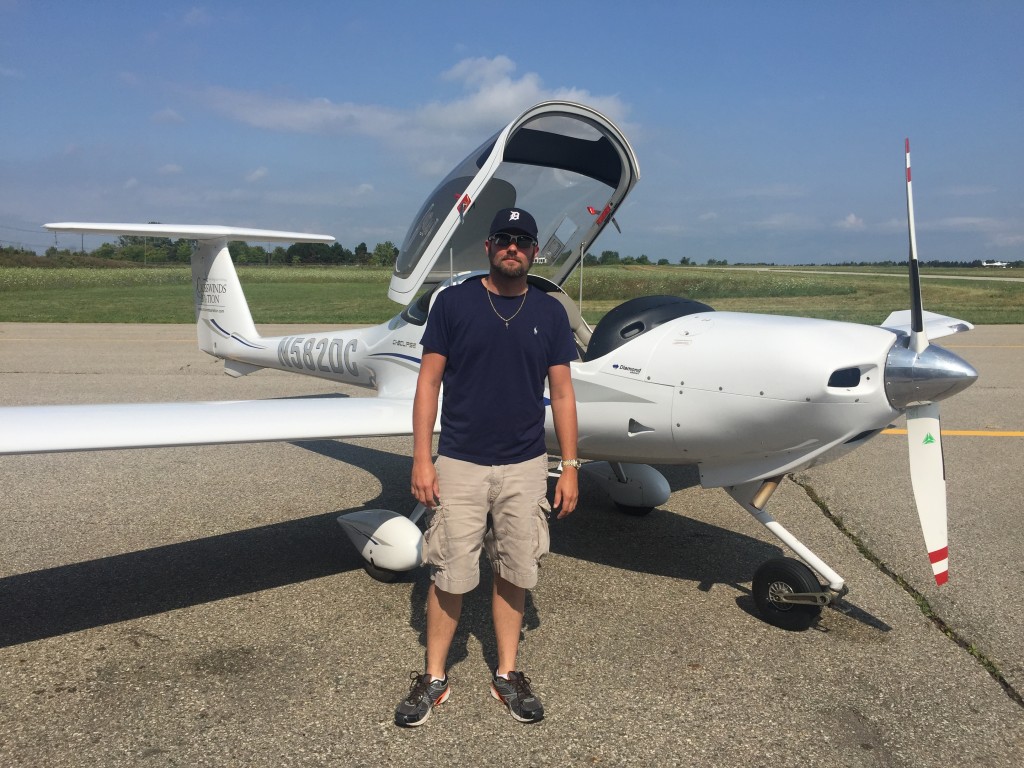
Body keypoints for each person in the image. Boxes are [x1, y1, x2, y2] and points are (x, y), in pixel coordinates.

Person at [394, 207, 581, 727]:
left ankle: (507, 673)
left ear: (535, 251)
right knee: (450, 575)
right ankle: (434, 677)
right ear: (489, 246)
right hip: (460, 462)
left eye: (522, 240)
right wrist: (422, 459)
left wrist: (569, 466)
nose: (512, 247)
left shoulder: (550, 312)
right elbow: (428, 383)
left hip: (526, 465)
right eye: (504, 238)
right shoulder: (454, 303)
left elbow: (563, 393)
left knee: (515, 571)